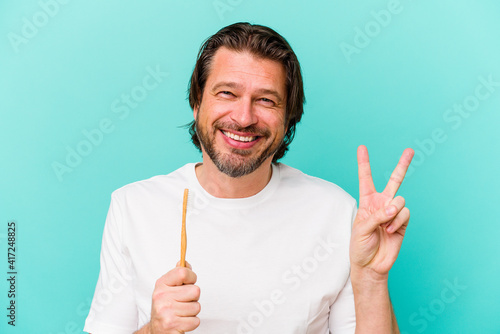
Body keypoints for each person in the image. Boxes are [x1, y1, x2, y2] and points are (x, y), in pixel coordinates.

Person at [84, 22, 414, 334]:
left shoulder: (337, 212)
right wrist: (155, 329)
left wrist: (371, 278)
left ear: (289, 118)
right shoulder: (133, 207)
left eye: (266, 100)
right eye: (227, 93)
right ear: (196, 103)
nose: (243, 118)